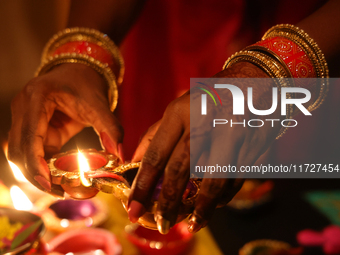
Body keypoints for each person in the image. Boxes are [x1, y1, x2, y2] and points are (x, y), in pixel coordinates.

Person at [7, 0, 340, 235]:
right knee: (163, 162)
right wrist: (81, 57)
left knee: (294, 208)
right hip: (170, 32)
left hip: (317, 25)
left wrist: (275, 73)